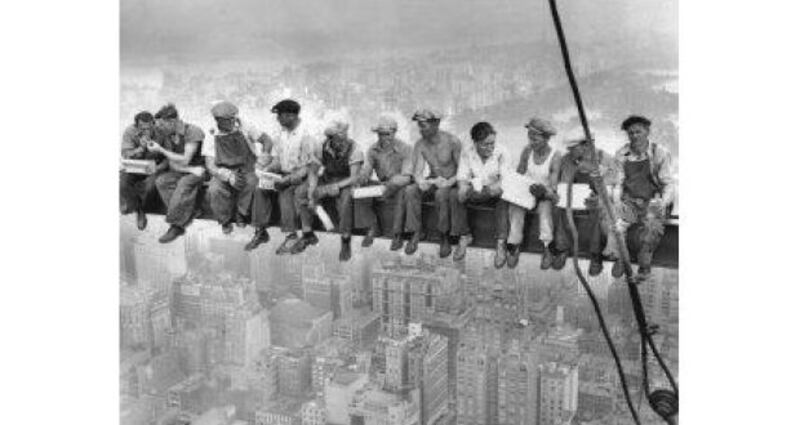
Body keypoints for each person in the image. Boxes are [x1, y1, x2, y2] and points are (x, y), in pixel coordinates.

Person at [605, 115, 675, 278]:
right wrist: (617, 202)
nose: (635, 136)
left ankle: (644, 265)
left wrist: (663, 202)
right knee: (618, 226)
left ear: (647, 131)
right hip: (630, 201)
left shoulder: (659, 152)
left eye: (638, 132)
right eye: (631, 133)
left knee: (651, 228)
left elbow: (668, 184)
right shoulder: (622, 153)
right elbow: (618, 183)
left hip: (654, 200)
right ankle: (622, 259)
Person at [202, 101, 273, 251]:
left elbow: (267, 140)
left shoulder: (245, 125)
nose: (233, 122)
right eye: (229, 120)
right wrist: (227, 176)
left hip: (247, 167)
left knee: (253, 184)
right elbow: (210, 165)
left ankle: (242, 214)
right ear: (218, 120)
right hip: (224, 169)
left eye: (234, 118)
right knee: (214, 189)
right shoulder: (211, 134)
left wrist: (264, 157)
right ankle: (225, 220)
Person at [295, 120, 364, 261]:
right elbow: (313, 171)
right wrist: (312, 190)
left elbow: (354, 177)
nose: (341, 142)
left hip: (345, 181)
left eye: (343, 137)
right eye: (337, 139)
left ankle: (345, 239)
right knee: (302, 191)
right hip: (328, 177)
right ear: (330, 138)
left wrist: (335, 187)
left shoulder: (355, 149)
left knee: (346, 200)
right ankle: (307, 233)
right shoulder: (322, 146)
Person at [551, 132, 618, 276]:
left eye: (573, 148)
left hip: (596, 199)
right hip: (573, 197)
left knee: (598, 210)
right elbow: (561, 183)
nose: (569, 151)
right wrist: (557, 193)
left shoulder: (605, 159)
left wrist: (598, 195)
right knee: (559, 207)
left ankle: (595, 255)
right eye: (569, 149)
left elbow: (612, 187)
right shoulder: (566, 160)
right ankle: (562, 248)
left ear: (586, 145)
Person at [258, 99, 318, 255]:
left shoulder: (307, 134)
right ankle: (288, 234)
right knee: (269, 189)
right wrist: (268, 170)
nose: (278, 119)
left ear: (291, 116)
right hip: (286, 174)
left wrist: (289, 179)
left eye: (280, 116)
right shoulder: (281, 133)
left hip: (307, 176)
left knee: (294, 193)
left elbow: (309, 166)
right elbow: (278, 159)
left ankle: (305, 234)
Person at [404, 108, 463, 257]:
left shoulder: (452, 141)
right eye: (419, 126)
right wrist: (421, 182)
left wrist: (449, 182)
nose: (420, 129)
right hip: (434, 180)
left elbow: (463, 171)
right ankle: (416, 232)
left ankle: (444, 236)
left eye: (423, 125)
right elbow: (418, 172)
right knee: (411, 190)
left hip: (452, 182)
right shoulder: (420, 144)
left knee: (441, 195)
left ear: (435, 124)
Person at [452, 122, 511, 265]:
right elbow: (462, 177)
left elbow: (505, 180)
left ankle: (501, 243)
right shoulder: (467, 152)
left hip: (495, 191)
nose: (490, 147)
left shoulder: (502, 152)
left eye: (492, 143)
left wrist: (490, 190)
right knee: (456, 195)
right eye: (486, 144)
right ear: (475, 143)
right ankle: (464, 235)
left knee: (504, 199)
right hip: (476, 191)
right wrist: (463, 189)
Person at [507, 117, 562, 269]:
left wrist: (544, 192)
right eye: (530, 138)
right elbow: (520, 173)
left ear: (546, 139)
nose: (531, 142)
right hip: (527, 191)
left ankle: (547, 247)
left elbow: (553, 185)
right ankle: (514, 245)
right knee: (515, 207)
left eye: (535, 139)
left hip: (544, 194)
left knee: (545, 210)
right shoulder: (527, 151)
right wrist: (515, 186)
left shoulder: (555, 155)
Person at [149, 104, 206, 243]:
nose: (160, 128)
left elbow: (185, 159)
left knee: (184, 183)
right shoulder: (168, 135)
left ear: (172, 122)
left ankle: (176, 226)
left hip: (200, 171)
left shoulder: (193, 131)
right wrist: (188, 170)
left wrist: (161, 150)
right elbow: (172, 162)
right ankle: (191, 211)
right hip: (185, 170)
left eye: (162, 125)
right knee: (162, 181)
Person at [355, 116, 413, 251]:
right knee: (360, 190)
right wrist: (361, 178)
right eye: (381, 134)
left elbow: (407, 176)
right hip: (383, 184)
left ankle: (397, 234)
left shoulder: (405, 149)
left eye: (388, 134)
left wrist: (392, 185)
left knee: (402, 191)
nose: (384, 137)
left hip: (399, 184)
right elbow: (367, 169)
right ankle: (372, 226)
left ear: (394, 133)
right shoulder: (373, 150)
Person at [120, 111, 166, 230]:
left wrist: (158, 168)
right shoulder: (130, 131)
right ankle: (133, 205)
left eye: (149, 127)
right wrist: (140, 149)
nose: (146, 131)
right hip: (135, 166)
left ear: (153, 124)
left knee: (149, 186)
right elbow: (126, 154)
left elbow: (168, 156)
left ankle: (140, 210)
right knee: (122, 181)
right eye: (143, 128)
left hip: (155, 167)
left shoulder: (161, 133)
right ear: (136, 126)